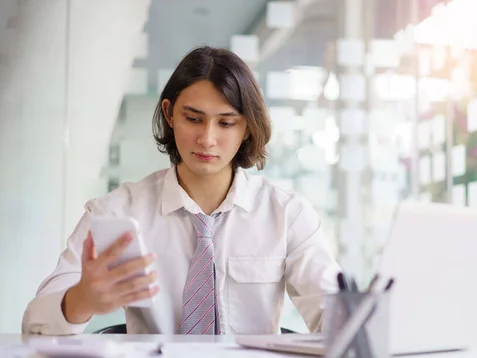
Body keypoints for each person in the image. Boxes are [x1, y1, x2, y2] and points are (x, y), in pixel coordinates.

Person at [22, 46, 341, 335]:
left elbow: (336, 315)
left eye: (226, 123)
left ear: (247, 128)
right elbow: (35, 323)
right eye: (193, 118)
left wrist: (351, 320)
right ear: (169, 114)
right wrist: (81, 300)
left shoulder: (287, 214)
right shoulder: (117, 212)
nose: (207, 139)